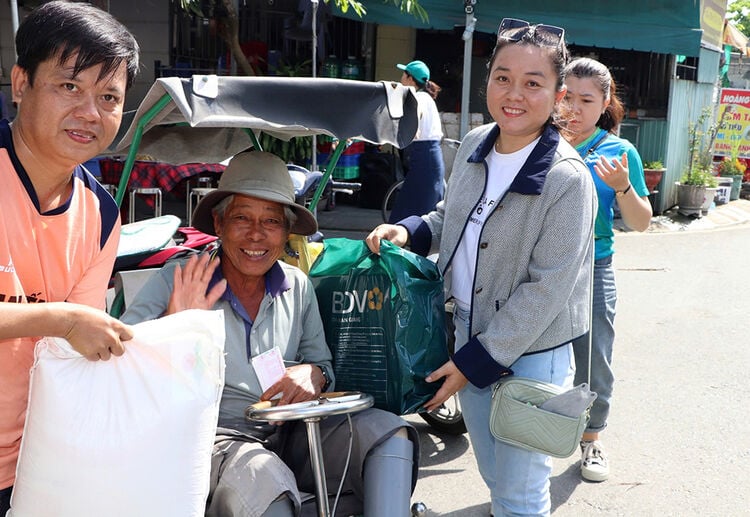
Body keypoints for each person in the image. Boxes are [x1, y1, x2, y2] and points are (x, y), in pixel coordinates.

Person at [367, 18, 595, 516]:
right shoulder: (475, 143)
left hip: (531, 353)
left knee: (521, 494)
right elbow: (451, 215)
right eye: (503, 77)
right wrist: (408, 231)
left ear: (558, 94)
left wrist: (474, 363)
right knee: (495, 476)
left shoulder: (567, 179)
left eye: (534, 83)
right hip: (467, 333)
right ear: (487, 79)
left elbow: (547, 289)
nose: (514, 93)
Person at [121, 151, 418, 517]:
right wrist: (175, 325)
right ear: (219, 223)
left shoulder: (297, 284)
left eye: (272, 221)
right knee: (266, 480)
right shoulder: (177, 279)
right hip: (211, 441)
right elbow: (120, 364)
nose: (256, 234)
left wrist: (315, 373)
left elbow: (320, 363)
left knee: (389, 434)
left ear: (287, 231)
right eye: (242, 217)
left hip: (292, 432)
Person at [0, 2, 139, 513]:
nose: (90, 113)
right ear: (21, 84)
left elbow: (73, 357)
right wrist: (61, 318)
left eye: (108, 97)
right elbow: (70, 324)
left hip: (30, 471)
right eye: (70, 87)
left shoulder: (101, 217)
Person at [563, 57, 652, 482]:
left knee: (593, 358)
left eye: (586, 100)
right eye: (567, 96)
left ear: (604, 103)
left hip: (593, 267)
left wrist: (623, 188)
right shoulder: (537, 140)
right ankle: (526, 432)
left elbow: (641, 221)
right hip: (535, 265)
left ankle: (592, 440)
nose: (574, 109)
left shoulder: (620, 152)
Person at [387, 59, 445, 223]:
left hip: (425, 157)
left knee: (414, 212)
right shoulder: (425, 98)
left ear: (410, 78)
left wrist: (414, 128)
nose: (401, 79)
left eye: (403, 75)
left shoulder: (419, 97)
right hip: (426, 156)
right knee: (418, 210)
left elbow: (416, 114)